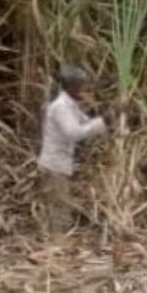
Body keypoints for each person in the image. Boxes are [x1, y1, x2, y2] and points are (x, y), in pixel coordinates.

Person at [38, 64, 112, 235]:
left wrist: (105, 121)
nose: (83, 89)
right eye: (81, 85)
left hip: (59, 165)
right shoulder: (61, 107)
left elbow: (84, 122)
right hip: (54, 165)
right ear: (71, 86)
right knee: (59, 210)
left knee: (60, 208)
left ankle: (56, 246)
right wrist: (102, 122)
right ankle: (56, 248)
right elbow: (74, 133)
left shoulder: (69, 105)